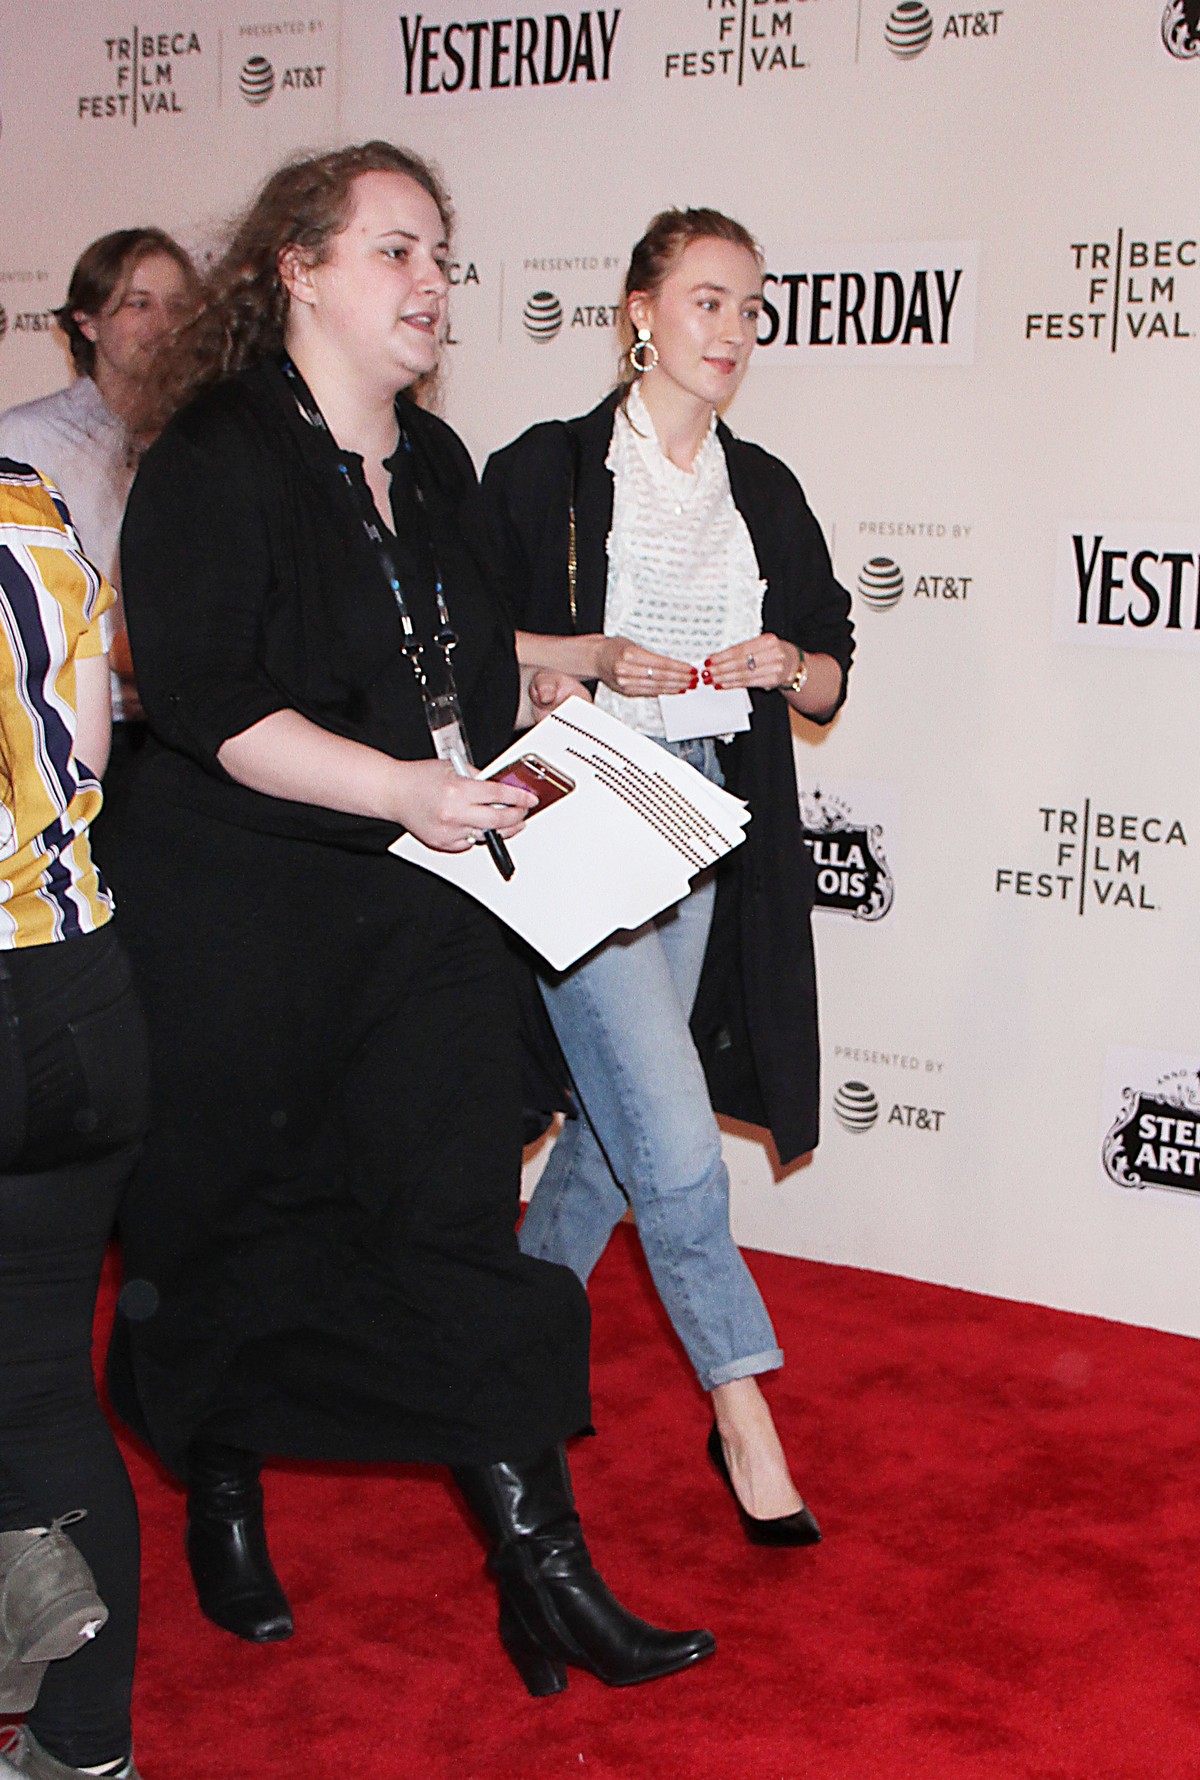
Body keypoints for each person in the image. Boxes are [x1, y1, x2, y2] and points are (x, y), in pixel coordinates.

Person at [104, 142, 714, 1698]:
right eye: (395, 251)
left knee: (451, 1222)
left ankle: (541, 1568)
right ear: (297, 270)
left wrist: (553, 675)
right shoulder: (215, 455)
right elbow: (209, 699)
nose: (433, 281)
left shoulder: (433, 465)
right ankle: (222, 1488)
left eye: (441, 253)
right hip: (238, 917)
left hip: (418, 898)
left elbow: (440, 653)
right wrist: (401, 785)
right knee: (236, 1221)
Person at [478, 207, 854, 1544]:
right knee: (679, 1144)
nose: (733, 332)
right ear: (638, 311)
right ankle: (743, 1405)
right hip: (578, 834)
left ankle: (489, 1379)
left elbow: (827, 664)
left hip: (704, 839)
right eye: (706, 302)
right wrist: (584, 654)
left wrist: (781, 665)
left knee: (608, 1133)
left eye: (750, 307)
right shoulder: (548, 470)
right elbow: (467, 639)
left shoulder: (766, 490)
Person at [0, 458, 149, 1778]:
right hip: (81, 992)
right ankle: (82, 1749)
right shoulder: (32, 506)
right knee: (43, 1382)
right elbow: (92, 746)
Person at [0, 230, 201, 810]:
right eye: (139, 304)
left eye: (179, 307)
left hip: (187, 743)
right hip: (62, 738)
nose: (164, 325)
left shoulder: (212, 444)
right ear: (87, 322)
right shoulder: (29, 441)